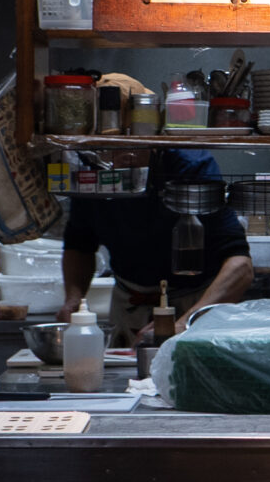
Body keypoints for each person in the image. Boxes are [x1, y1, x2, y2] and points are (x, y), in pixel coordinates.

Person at [59, 146, 252, 345]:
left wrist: (184, 323)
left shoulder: (192, 167)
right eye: (106, 150)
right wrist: (73, 300)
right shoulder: (89, 171)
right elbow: (79, 245)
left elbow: (241, 267)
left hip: (194, 306)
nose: (121, 158)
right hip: (128, 304)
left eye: (132, 147)